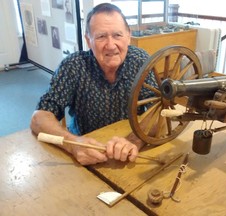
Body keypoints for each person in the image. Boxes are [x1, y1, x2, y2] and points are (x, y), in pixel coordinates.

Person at [30, 3, 155, 165]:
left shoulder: (141, 61)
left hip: (129, 151)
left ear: (128, 36)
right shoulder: (73, 66)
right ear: (88, 40)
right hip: (84, 154)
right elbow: (39, 118)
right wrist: (72, 144)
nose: (111, 45)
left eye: (117, 35)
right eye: (101, 36)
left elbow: (158, 111)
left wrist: (135, 140)